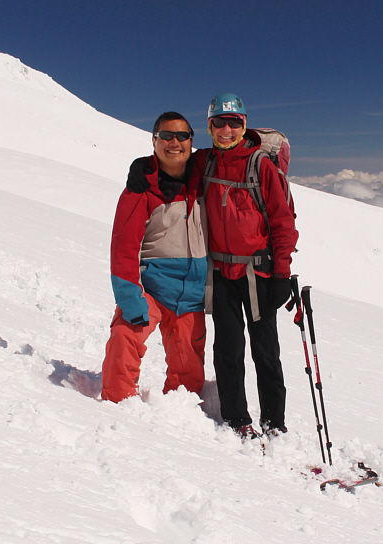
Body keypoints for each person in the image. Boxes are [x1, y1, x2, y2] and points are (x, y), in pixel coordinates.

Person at [199, 93, 299, 439]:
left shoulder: (261, 166)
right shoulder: (204, 162)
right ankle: (237, 418)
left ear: (244, 126)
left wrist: (282, 274)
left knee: (265, 351)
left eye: (234, 123)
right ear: (209, 126)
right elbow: (169, 166)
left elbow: (283, 223)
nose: (226, 130)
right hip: (220, 273)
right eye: (219, 123)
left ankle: (274, 422)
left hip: (259, 274)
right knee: (227, 349)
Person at [101, 112, 208, 403]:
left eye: (182, 136)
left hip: (191, 297)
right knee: (125, 336)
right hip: (151, 290)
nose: (174, 142)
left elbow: (234, 154)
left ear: (191, 142)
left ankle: (181, 414)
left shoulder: (204, 180)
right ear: (154, 141)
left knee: (188, 380)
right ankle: (115, 406)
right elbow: (123, 247)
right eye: (166, 136)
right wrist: (130, 297)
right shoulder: (140, 190)